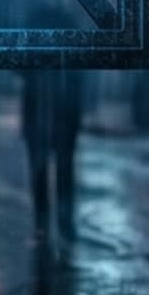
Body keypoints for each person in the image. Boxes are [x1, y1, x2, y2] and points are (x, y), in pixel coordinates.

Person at [19, 68, 86, 243]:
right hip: (38, 115)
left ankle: (64, 223)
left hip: (64, 116)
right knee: (40, 173)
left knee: (64, 170)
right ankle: (42, 224)